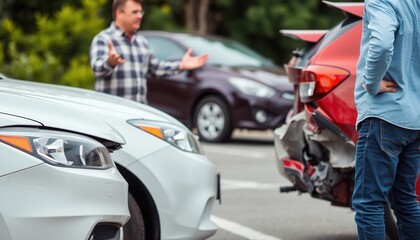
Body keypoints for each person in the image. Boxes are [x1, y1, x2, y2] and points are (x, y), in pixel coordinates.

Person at [353, 0, 420, 239]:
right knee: (405, 201)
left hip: (384, 117)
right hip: (415, 120)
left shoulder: (382, 2)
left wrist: (371, 83)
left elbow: (381, 44)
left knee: (368, 202)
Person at [89, 0, 208, 103]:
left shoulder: (141, 42)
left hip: (138, 113)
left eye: (141, 12)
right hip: (114, 114)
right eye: (135, 12)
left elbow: (155, 68)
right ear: (119, 13)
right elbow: (97, 70)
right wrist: (110, 62)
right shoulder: (103, 39)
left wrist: (181, 65)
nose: (140, 16)